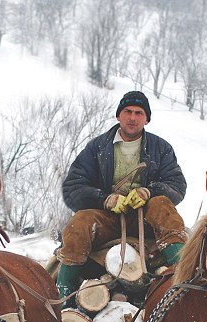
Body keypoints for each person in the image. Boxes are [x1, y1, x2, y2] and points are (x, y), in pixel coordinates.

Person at [56, 90, 188, 303]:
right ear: (118, 115)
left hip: (147, 220)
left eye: (139, 113)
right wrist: (104, 199)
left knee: (162, 204)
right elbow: (73, 187)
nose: (132, 117)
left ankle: (188, 275)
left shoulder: (161, 148)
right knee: (79, 222)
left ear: (147, 119)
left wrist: (149, 192)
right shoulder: (96, 148)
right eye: (127, 111)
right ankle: (65, 299)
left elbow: (177, 185)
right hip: (107, 219)